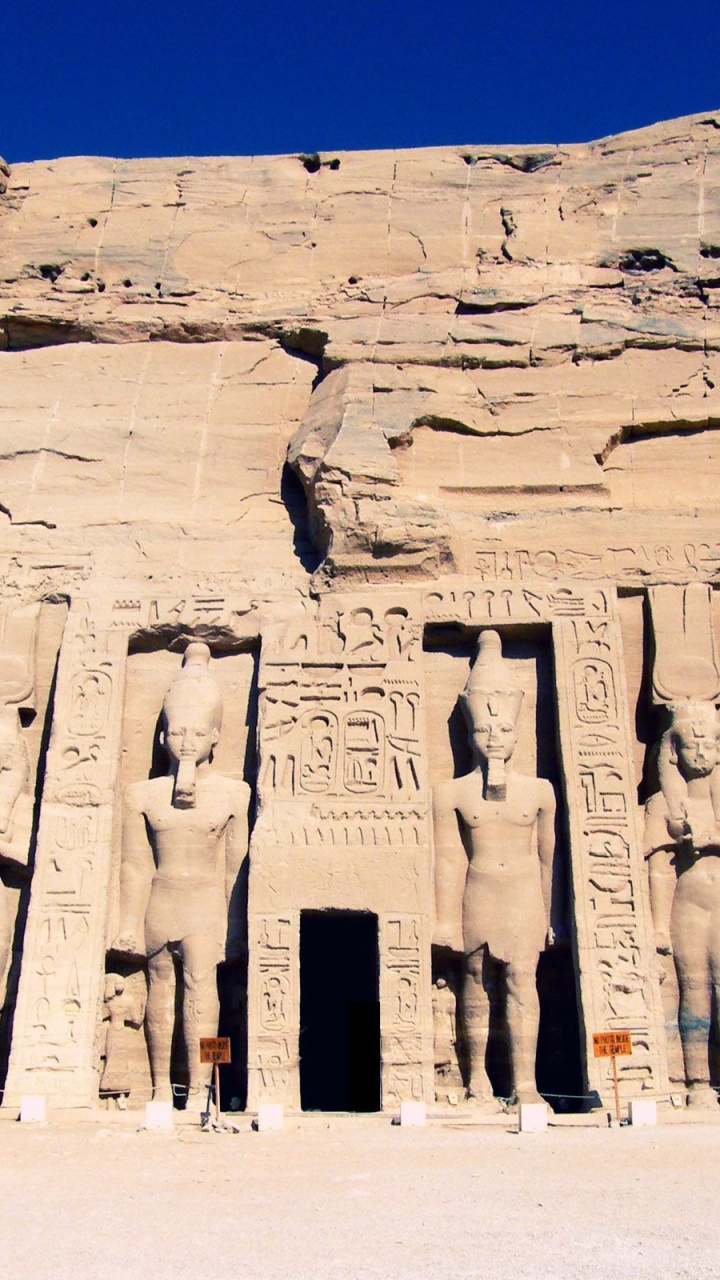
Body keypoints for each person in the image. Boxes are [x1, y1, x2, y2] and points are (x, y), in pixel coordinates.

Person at [112, 642, 249, 1105]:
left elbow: (236, 866)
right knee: (159, 992)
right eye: (176, 732)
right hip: (161, 899)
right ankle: (157, 1088)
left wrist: (235, 927)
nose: (186, 742)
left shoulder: (234, 794)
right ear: (161, 738)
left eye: (197, 733)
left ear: (215, 737)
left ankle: (201, 1090)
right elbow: (134, 865)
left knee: (203, 993)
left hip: (207, 903)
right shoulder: (142, 795)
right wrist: (129, 924)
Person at [433, 631, 556, 1109]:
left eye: (502, 730)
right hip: (477, 889)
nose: (493, 738)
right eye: (484, 731)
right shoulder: (454, 792)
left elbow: (548, 857)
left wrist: (552, 915)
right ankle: (477, 1078)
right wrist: (445, 918)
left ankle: (525, 1083)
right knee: (476, 981)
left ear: (516, 733)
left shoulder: (540, 790)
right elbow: (448, 857)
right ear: (469, 734)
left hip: (524, 893)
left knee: (523, 981)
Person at [644, 700, 720, 1108]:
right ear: (673, 751)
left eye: (709, 744)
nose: (702, 753)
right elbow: (657, 871)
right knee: (693, 990)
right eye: (693, 746)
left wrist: (709, 840)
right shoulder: (662, 805)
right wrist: (657, 927)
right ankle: (698, 1082)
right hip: (688, 905)